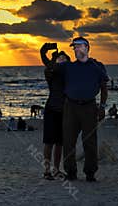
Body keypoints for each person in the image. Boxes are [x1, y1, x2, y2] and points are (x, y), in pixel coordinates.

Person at [53, 37, 109, 182]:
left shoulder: (97, 66)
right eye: (74, 47)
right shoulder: (69, 66)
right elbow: (50, 68)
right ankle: (71, 172)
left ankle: (90, 173)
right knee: (68, 141)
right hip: (70, 106)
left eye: (78, 46)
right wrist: (51, 56)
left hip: (90, 107)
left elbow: (104, 87)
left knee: (90, 141)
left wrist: (102, 107)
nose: (76, 49)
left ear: (87, 47)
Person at [40, 43, 70, 180]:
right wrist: (46, 54)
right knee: (49, 142)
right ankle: (47, 171)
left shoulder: (69, 73)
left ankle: (57, 170)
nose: (61, 59)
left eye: (64, 58)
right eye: (60, 58)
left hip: (64, 111)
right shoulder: (51, 73)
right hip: (52, 109)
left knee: (60, 143)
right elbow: (48, 66)